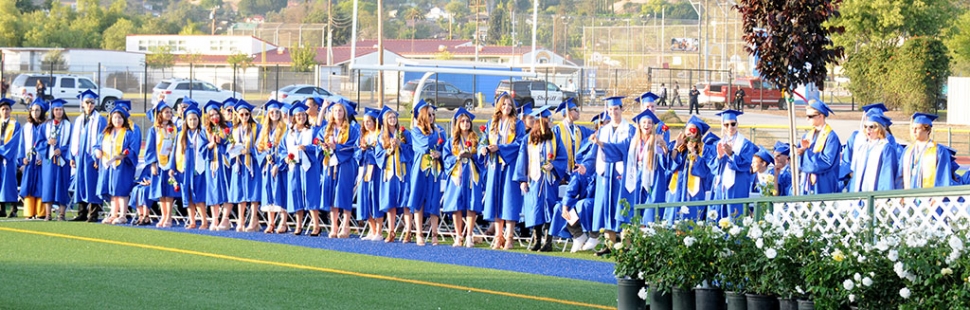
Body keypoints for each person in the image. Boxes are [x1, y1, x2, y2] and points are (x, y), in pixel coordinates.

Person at [575, 96, 636, 256]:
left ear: (621, 109)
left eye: (616, 109)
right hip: (605, 176)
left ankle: (626, 245)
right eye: (610, 110)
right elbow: (594, 153)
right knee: (606, 210)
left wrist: (603, 144)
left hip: (621, 176)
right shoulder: (603, 130)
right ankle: (609, 244)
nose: (613, 112)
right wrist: (586, 166)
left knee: (622, 209)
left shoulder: (629, 130)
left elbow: (624, 149)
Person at [480, 92, 526, 250]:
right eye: (504, 104)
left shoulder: (518, 124)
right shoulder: (491, 123)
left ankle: (510, 236)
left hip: (510, 165)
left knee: (509, 200)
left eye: (509, 104)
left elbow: (520, 143)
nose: (506, 107)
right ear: (499, 106)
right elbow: (483, 140)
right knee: (497, 200)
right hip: (495, 166)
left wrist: (501, 148)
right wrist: (483, 148)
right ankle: (498, 236)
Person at [442, 108, 485, 248]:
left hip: (472, 175)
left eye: (468, 121)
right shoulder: (451, 141)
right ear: (458, 123)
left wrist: (472, 155)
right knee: (457, 205)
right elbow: (446, 159)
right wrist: (458, 156)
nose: (466, 123)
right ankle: (458, 236)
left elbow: (481, 158)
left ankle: (470, 236)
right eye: (462, 121)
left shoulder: (476, 140)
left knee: (471, 205)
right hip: (457, 176)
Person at [94, 104, 141, 225]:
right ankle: (113, 214)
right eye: (115, 117)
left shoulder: (128, 133)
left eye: (120, 118)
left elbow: (133, 149)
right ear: (111, 119)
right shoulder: (106, 133)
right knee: (112, 192)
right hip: (107, 165)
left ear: (124, 119)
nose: (117, 120)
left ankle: (123, 215)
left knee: (121, 190)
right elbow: (97, 145)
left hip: (122, 166)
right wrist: (97, 151)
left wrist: (125, 154)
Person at [319, 100, 359, 238]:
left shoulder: (352, 129)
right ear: (331, 113)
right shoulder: (327, 129)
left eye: (340, 110)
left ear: (344, 113)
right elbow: (318, 142)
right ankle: (334, 226)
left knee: (343, 193)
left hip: (345, 165)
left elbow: (353, 146)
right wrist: (323, 147)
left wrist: (338, 148)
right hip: (330, 164)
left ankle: (346, 225)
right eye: (335, 111)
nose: (338, 113)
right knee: (331, 195)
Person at [408, 99, 445, 246]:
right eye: (429, 114)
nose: (431, 117)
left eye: (433, 114)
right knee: (419, 199)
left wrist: (439, 154)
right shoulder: (416, 131)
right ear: (423, 116)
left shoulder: (439, 129)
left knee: (434, 199)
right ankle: (419, 234)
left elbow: (444, 147)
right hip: (420, 169)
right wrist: (436, 134)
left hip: (434, 170)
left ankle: (434, 234)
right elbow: (424, 145)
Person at [624, 109, 670, 225]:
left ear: (653, 126)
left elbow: (663, 162)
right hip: (635, 177)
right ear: (639, 125)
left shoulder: (657, 140)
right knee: (634, 211)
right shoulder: (634, 141)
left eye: (649, 123)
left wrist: (664, 149)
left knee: (650, 215)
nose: (646, 125)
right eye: (644, 122)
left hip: (652, 180)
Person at [667, 116, 714, 224]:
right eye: (688, 129)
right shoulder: (680, 147)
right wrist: (676, 147)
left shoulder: (704, 150)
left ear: (697, 133)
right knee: (673, 219)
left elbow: (704, 172)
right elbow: (671, 166)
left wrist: (694, 153)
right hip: (677, 190)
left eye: (693, 130)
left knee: (692, 220)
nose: (689, 132)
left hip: (695, 193)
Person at [711, 110, 757, 220]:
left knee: (736, 213)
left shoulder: (745, 144)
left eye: (733, 124)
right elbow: (714, 167)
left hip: (738, 183)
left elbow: (745, 164)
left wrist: (731, 154)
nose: (730, 127)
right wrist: (720, 157)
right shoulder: (719, 143)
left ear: (737, 124)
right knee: (720, 211)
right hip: (722, 183)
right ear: (722, 126)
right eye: (726, 125)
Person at [69, 90, 108, 222]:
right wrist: (72, 157)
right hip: (80, 156)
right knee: (80, 183)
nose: (90, 105)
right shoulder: (79, 120)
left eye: (92, 102)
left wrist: (98, 158)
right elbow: (73, 139)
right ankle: (81, 212)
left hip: (92, 157)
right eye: (87, 102)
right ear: (82, 104)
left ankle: (93, 214)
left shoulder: (100, 120)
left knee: (92, 183)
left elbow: (101, 140)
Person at [376, 106, 412, 243]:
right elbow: (378, 154)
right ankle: (391, 231)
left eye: (394, 117)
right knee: (390, 203)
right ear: (385, 120)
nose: (392, 119)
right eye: (389, 117)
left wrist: (400, 145)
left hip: (403, 172)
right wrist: (388, 151)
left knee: (406, 202)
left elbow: (411, 151)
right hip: (389, 173)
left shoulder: (404, 134)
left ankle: (408, 231)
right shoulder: (381, 136)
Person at [172, 102, 208, 229]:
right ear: (186, 121)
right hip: (184, 169)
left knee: (198, 196)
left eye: (195, 119)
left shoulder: (202, 134)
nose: (192, 122)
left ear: (199, 120)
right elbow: (174, 152)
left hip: (198, 169)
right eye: (190, 120)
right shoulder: (180, 135)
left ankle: (204, 221)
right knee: (187, 196)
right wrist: (172, 168)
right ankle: (192, 220)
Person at [228, 100, 262, 232]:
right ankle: (240, 220)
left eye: (247, 114)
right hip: (239, 164)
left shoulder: (257, 128)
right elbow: (228, 144)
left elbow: (260, 146)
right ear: (237, 115)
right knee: (240, 192)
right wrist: (231, 147)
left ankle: (254, 220)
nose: (244, 117)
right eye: (241, 114)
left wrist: (250, 151)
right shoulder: (233, 129)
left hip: (252, 163)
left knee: (253, 193)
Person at [143, 101, 179, 227]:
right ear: (160, 114)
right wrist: (152, 164)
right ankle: (163, 216)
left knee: (169, 192)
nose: (169, 114)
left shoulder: (176, 129)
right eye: (166, 112)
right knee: (161, 193)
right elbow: (150, 148)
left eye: (170, 112)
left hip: (171, 165)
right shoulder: (154, 130)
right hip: (159, 165)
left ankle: (169, 217)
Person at [796, 100, 841, 195]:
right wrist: (800, 152)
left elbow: (827, 161)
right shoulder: (807, 136)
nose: (807, 119)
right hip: (806, 180)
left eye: (810, 116)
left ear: (820, 116)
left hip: (824, 181)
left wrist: (806, 153)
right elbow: (800, 162)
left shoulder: (831, 137)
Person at [256, 100, 287, 233]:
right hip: (267, 166)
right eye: (272, 112)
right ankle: (271, 223)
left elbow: (286, 148)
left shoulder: (285, 128)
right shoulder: (264, 130)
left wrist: (278, 164)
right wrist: (265, 157)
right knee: (268, 191)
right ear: (268, 114)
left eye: (277, 112)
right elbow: (258, 148)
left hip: (280, 166)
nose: (274, 114)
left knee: (281, 191)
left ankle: (283, 222)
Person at [847, 111, 898, 192]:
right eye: (865, 126)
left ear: (879, 129)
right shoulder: (862, 148)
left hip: (876, 195)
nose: (868, 129)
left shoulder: (886, 148)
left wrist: (882, 199)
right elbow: (856, 176)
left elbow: (887, 176)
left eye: (871, 126)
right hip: (860, 196)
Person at [901, 113, 955, 189]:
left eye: (917, 128)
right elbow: (900, 176)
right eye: (913, 128)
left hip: (930, 198)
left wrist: (938, 197)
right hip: (909, 196)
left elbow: (943, 177)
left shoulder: (939, 151)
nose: (914, 131)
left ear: (927, 130)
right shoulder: (907, 150)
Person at [39, 99, 72, 221]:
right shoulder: (45, 126)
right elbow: (38, 142)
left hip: (63, 161)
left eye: (61, 109)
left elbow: (73, 144)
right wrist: (47, 142)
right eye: (56, 109)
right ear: (52, 111)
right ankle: (48, 214)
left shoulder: (69, 126)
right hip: (49, 161)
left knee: (62, 185)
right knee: (48, 185)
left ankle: (62, 214)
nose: (58, 112)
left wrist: (62, 150)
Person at [356, 108, 385, 241]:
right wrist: (362, 151)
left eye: (369, 121)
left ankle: (379, 231)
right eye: (365, 121)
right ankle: (372, 229)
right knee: (365, 199)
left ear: (375, 122)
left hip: (376, 172)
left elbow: (381, 154)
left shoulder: (380, 135)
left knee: (375, 199)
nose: (367, 124)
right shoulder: (363, 137)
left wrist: (371, 150)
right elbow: (356, 155)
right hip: (365, 171)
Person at [20, 97, 48, 220]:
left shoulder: (47, 126)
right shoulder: (26, 127)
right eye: (33, 110)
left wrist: (45, 157)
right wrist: (22, 159)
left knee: (41, 186)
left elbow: (49, 144)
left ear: (42, 111)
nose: (35, 112)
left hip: (41, 163)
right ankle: (28, 212)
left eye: (38, 110)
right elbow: (21, 145)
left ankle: (41, 212)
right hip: (29, 162)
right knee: (28, 186)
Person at [552, 98, 594, 179]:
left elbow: (594, 134)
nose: (578, 112)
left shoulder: (579, 130)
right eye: (576, 109)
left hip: (576, 172)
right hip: (561, 172)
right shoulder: (557, 130)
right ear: (568, 112)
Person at [0, 98, 21, 218]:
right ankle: (1, 209)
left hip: (9, 158)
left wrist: (2, 152)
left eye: (7, 109)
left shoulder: (15, 125)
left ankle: (13, 209)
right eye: (2, 109)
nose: (5, 111)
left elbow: (14, 142)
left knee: (10, 182)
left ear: (11, 110)